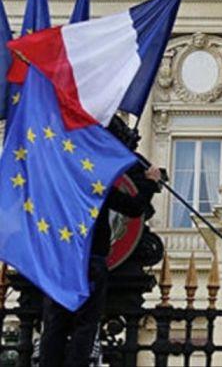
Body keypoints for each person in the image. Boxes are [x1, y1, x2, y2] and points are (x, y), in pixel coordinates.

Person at [39, 117, 162, 367]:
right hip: (91, 260)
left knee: (55, 322)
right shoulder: (93, 184)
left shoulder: (56, 180)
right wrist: (150, 183)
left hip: (60, 260)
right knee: (85, 324)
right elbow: (133, 207)